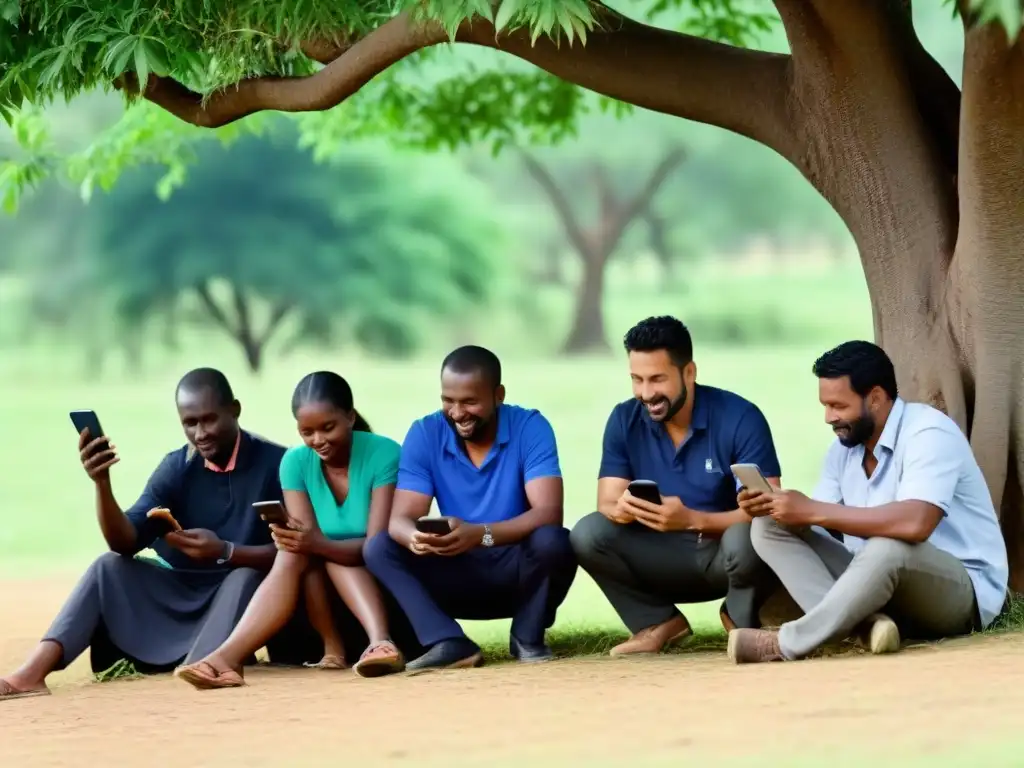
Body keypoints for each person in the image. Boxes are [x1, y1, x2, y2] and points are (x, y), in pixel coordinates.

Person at [0, 368, 287, 701]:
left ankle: (209, 663)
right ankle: (32, 673)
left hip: (240, 599)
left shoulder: (277, 463)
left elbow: (294, 555)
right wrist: (102, 483)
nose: (200, 433)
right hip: (179, 593)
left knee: (245, 576)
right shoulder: (177, 466)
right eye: (189, 423)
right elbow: (125, 542)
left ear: (234, 410)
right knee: (108, 566)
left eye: (209, 420)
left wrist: (225, 551)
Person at [728, 341, 1009, 664]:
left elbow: (916, 524)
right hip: (877, 579)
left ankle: (788, 643)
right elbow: (820, 520)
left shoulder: (929, 432)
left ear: (875, 398)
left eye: (838, 405)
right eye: (825, 405)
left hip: (959, 593)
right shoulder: (843, 451)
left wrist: (814, 510)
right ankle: (865, 628)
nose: (828, 417)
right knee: (769, 527)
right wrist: (778, 508)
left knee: (888, 547)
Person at [174, 371, 411, 689]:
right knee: (293, 552)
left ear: (350, 417)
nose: (318, 441)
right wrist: (302, 540)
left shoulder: (384, 453)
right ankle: (227, 659)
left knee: (318, 550)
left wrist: (316, 543)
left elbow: (377, 545)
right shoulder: (295, 462)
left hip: (382, 573)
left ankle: (382, 641)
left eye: (328, 428)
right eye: (306, 432)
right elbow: (304, 541)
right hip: (323, 581)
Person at [570, 316, 782, 656]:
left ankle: (739, 616)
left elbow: (771, 509)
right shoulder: (624, 419)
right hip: (656, 554)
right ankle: (657, 622)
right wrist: (623, 509)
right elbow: (607, 501)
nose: (645, 393)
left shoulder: (740, 417)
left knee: (752, 535)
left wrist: (692, 520)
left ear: (689, 373)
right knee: (587, 533)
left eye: (657, 379)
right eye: (636, 379)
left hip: (722, 555)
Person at [364, 345, 577, 674]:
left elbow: (548, 512)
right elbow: (399, 519)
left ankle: (527, 636)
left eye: (469, 402)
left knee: (553, 540)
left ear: (498, 395)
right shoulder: (425, 432)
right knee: (379, 546)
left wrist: (481, 535)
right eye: (448, 400)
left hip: (515, 570)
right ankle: (448, 641)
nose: (457, 412)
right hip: (455, 569)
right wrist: (415, 538)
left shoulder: (530, 427)